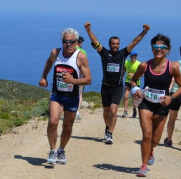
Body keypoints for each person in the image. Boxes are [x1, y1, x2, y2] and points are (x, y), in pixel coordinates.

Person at [84, 21, 150, 144]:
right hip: (105, 87)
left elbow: (134, 42)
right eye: (113, 44)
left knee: (113, 111)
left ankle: (110, 134)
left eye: (117, 44)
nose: (115, 45)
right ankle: (107, 127)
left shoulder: (123, 53)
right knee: (106, 112)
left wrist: (144, 32)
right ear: (109, 44)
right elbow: (95, 41)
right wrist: (88, 30)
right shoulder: (104, 53)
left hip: (118, 87)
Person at [130, 34, 181, 177]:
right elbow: (133, 80)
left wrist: (171, 97)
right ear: (152, 48)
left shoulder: (172, 67)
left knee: (155, 139)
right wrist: (135, 89)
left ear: (168, 49)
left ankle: (151, 150)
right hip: (146, 103)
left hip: (162, 106)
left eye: (162, 47)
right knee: (146, 135)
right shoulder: (144, 65)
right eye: (156, 47)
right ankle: (143, 166)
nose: (158, 49)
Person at [39, 28, 91, 164]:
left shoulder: (80, 57)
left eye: (71, 41)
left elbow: (88, 79)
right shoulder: (55, 53)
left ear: (76, 42)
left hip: (72, 96)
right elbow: (49, 62)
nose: (68, 44)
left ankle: (61, 150)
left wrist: (73, 81)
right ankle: (52, 151)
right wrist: (44, 77)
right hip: (57, 94)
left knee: (67, 125)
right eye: (65, 42)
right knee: (53, 122)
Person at [122, 51, 142, 118]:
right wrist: (122, 76)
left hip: (136, 82)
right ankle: (125, 111)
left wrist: (134, 75)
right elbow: (124, 69)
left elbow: (142, 74)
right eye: (133, 56)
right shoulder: (126, 62)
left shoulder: (139, 64)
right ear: (130, 56)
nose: (134, 57)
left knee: (135, 97)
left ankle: (134, 109)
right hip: (128, 80)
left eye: (135, 56)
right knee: (126, 96)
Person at [75, 35, 87, 120]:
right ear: (80, 43)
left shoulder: (69, 50)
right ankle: (77, 113)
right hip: (79, 76)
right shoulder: (82, 52)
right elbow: (85, 65)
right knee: (79, 94)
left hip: (69, 75)